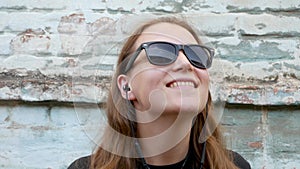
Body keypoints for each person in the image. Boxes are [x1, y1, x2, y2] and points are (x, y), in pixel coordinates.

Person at [68, 16, 251, 169]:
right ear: (127, 86)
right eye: (160, 53)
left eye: (196, 55)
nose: (186, 63)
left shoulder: (234, 166)